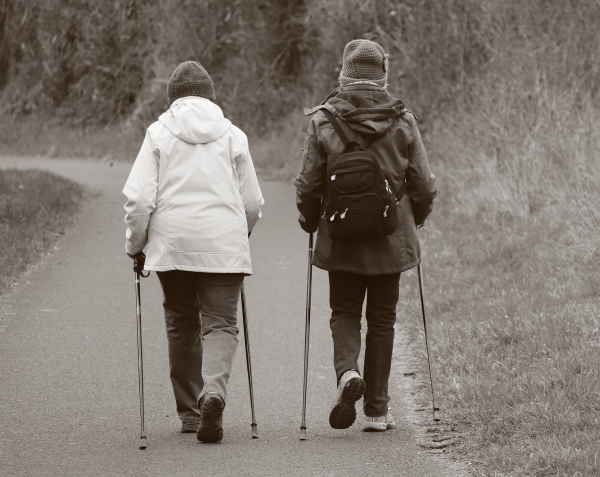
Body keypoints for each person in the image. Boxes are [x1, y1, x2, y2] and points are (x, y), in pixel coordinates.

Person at [294, 39, 438, 432]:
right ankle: (376, 410)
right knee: (382, 320)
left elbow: (307, 185)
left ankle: (345, 374)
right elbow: (424, 185)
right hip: (390, 239)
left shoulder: (323, 120)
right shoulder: (403, 120)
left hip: (341, 236)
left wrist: (310, 222)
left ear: (344, 74)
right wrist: (416, 219)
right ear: (383, 77)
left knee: (343, 311)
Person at [123, 61, 264, 443]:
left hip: (173, 245)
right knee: (220, 323)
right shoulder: (233, 135)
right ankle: (213, 392)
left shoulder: (157, 134)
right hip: (223, 244)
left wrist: (135, 246)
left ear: (173, 99)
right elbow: (251, 202)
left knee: (182, 321)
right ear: (210, 97)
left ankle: (190, 413)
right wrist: (241, 234)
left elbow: (138, 199)